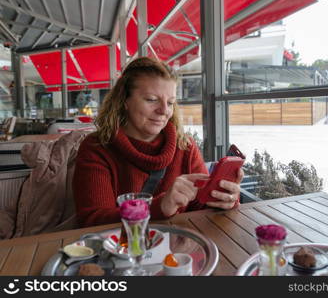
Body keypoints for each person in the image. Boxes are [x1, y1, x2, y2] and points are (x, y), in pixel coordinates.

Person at [73, 57, 243, 227]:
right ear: (124, 100)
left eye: (170, 103)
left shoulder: (185, 146)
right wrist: (159, 206)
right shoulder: (96, 148)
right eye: (151, 99)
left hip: (177, 250)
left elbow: (199, 207)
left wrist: (224, 200)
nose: (164, 111)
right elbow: (92, 220)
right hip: (126, 249)